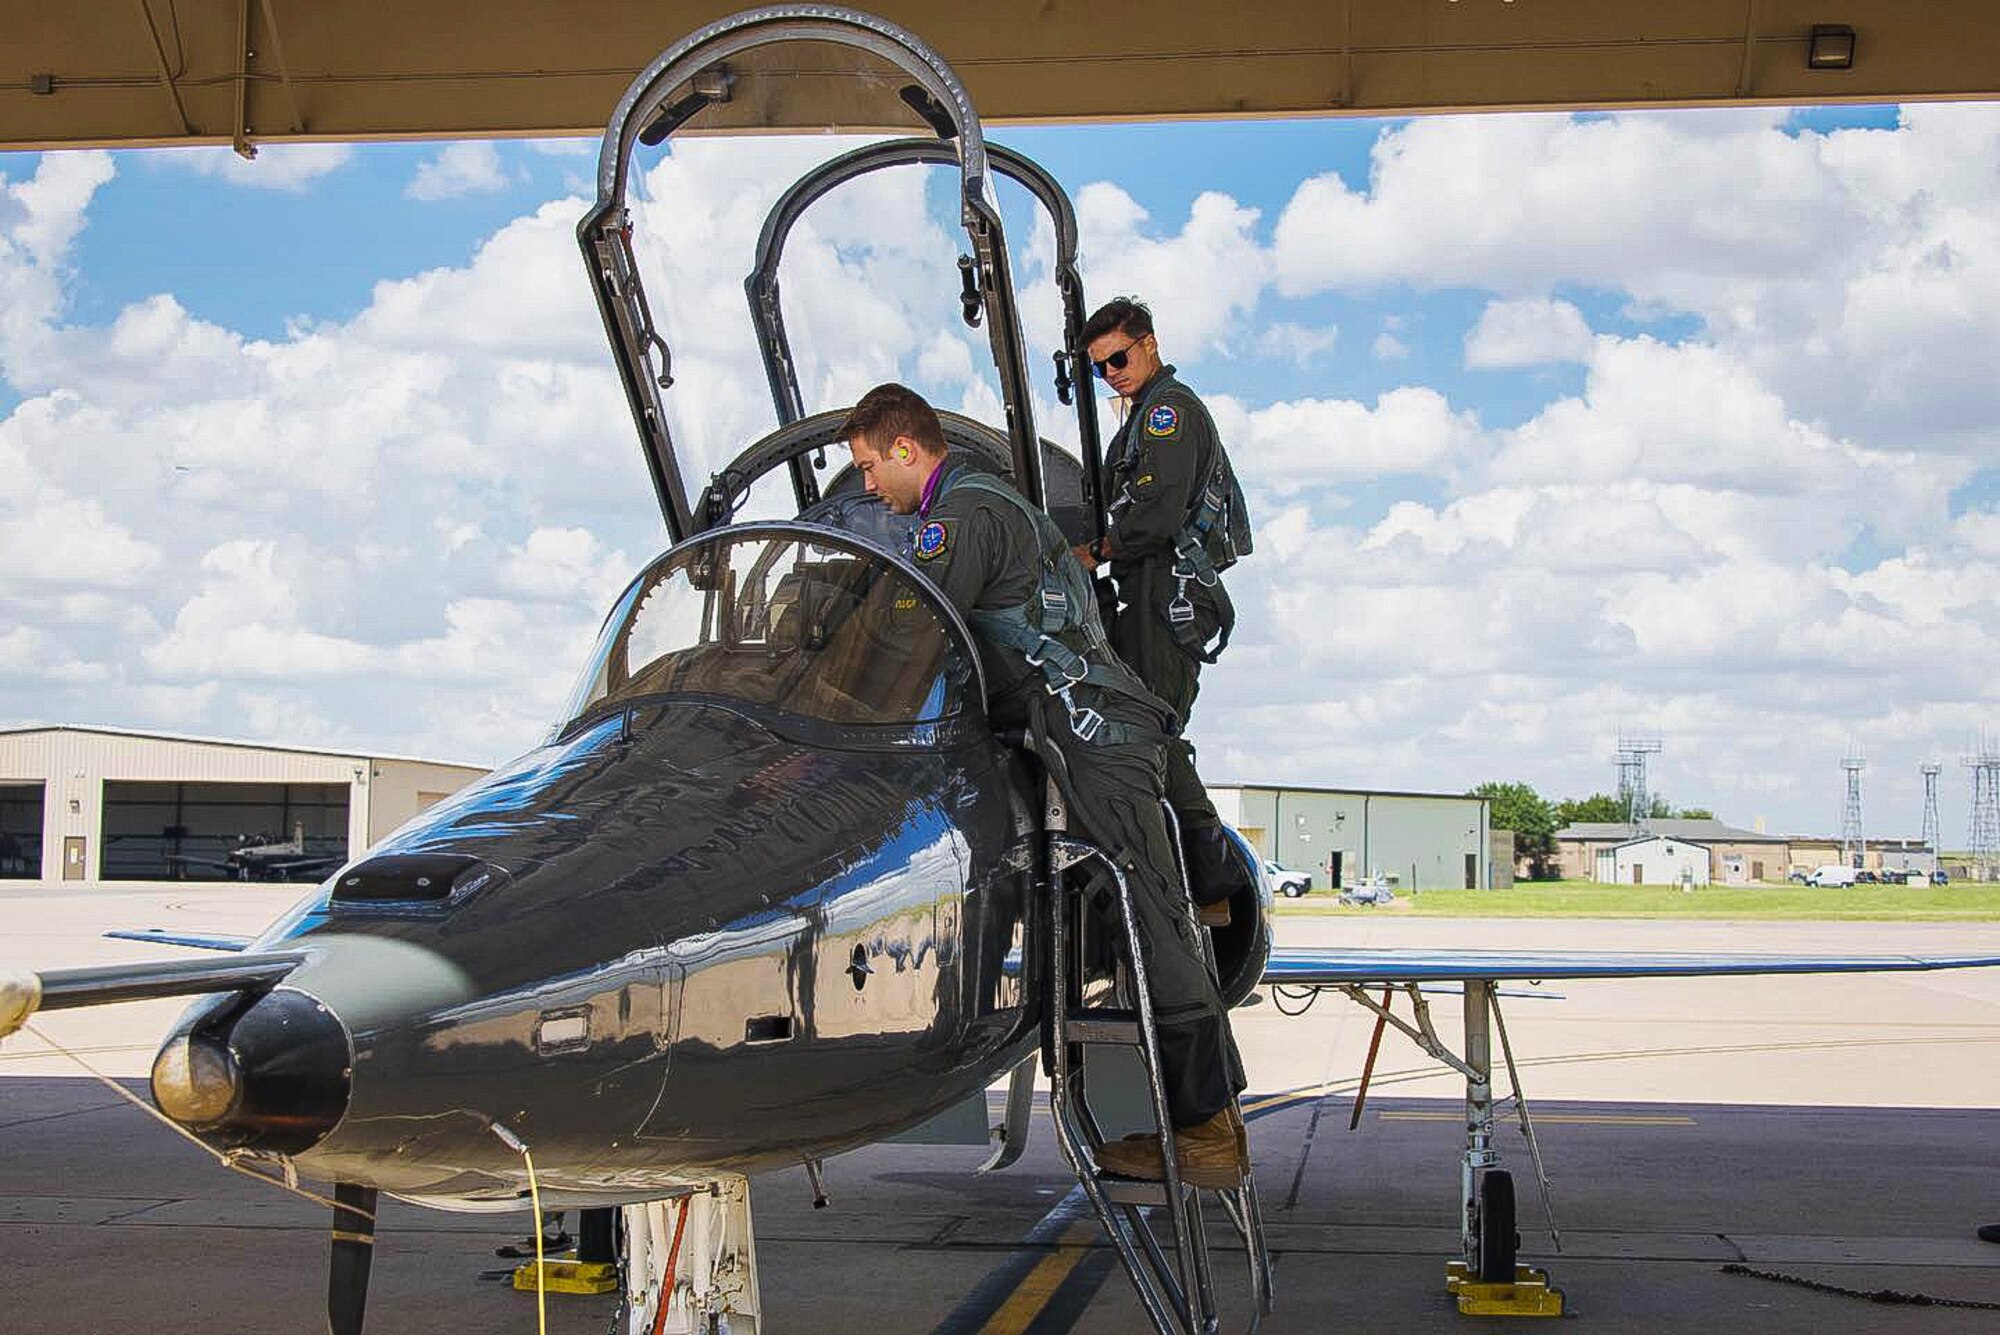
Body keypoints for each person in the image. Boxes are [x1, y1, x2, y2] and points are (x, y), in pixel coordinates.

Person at [840, 382, 1247, 1187]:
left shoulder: (963, 517)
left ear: (906, 449)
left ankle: (1208, 1130)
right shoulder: (985, 506)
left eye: (867, 466)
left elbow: (907, 636)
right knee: (1148, 911)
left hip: (1093, 732)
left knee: (1150, 916)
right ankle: (1205, 1122)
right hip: (1092, 725)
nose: (865, 487)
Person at [1073, 297, 1253, 924]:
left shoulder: (1167, 415)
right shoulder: (1142, 416)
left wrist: (1092, 552)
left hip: (1165, 597)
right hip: (1145, 593)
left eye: (1118, 358)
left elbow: (1156, 514)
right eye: (1099, 367)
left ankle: (1212, 883)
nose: (1112, 373)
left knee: (1149, 734)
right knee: (1135, 734)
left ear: (1149, 343)